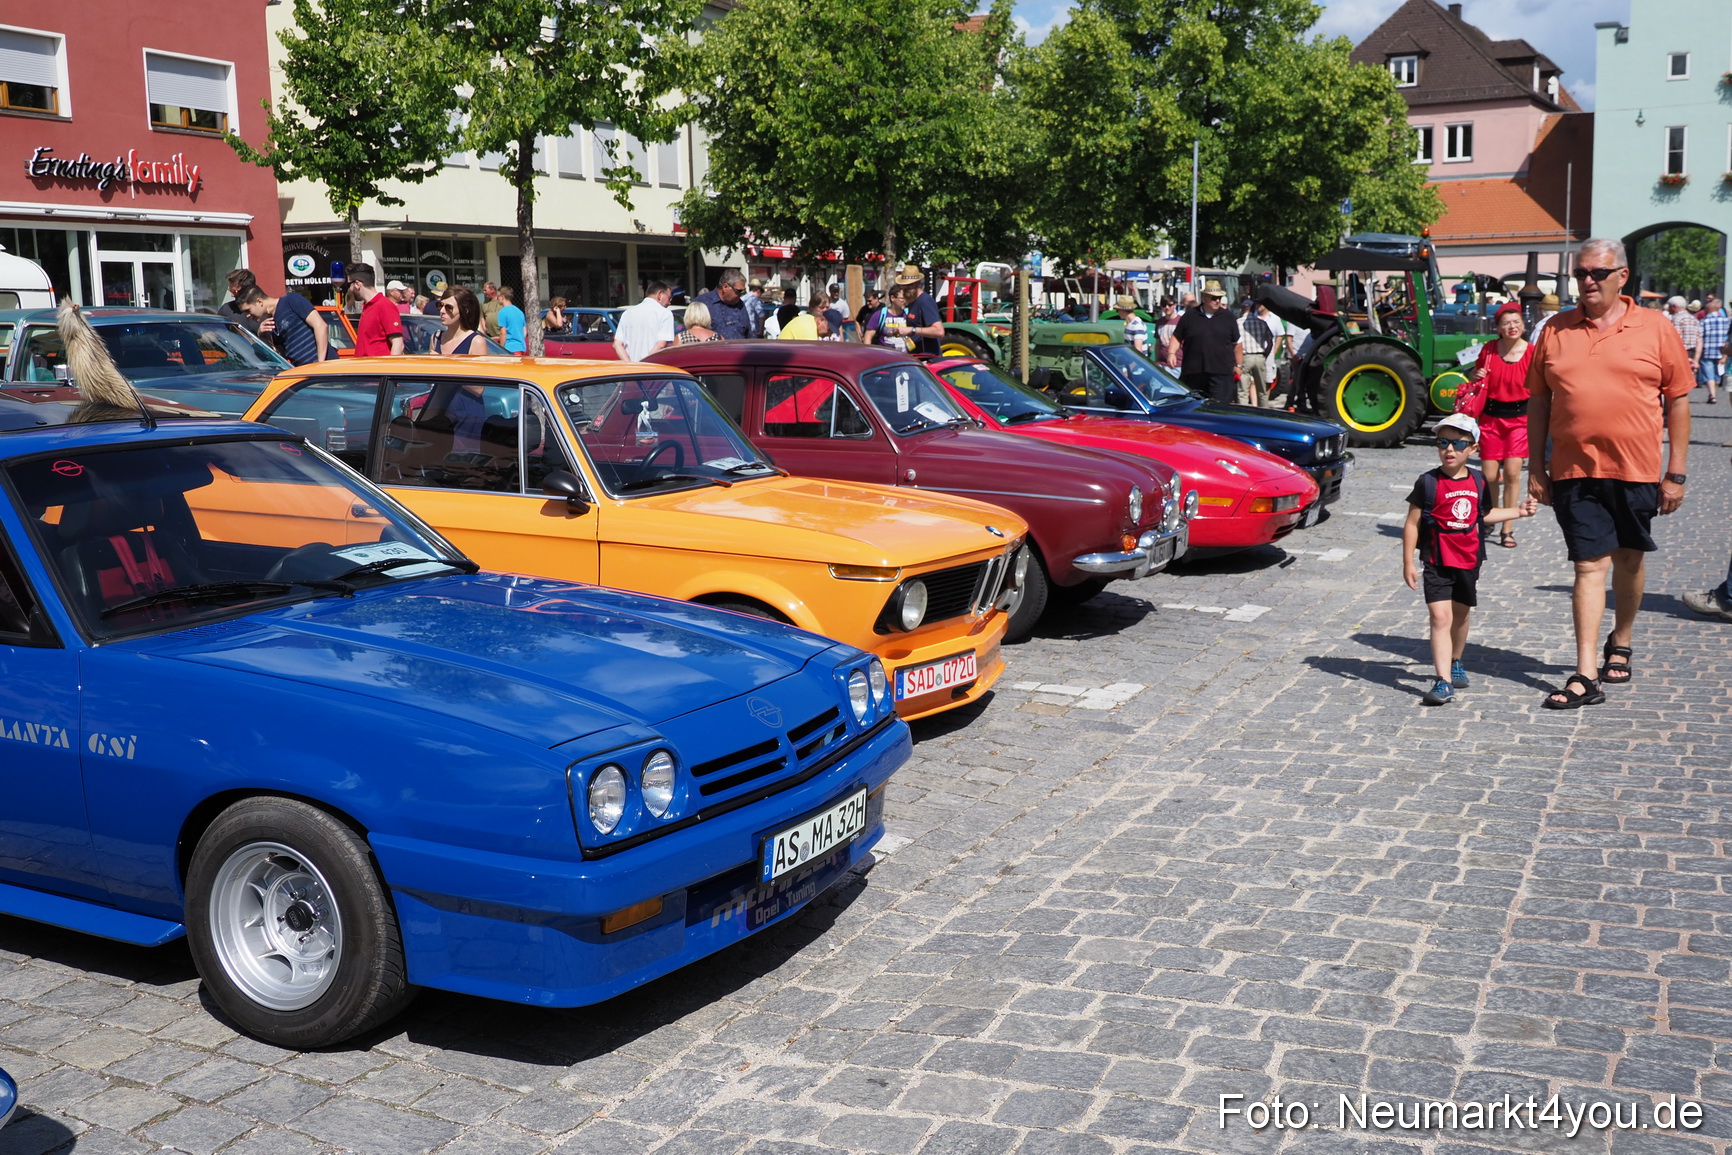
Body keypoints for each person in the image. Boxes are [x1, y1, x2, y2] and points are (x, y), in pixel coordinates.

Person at [1527, 239, 1694, 709]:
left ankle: (1621, 638)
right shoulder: (1555, 330)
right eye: (1581, 273)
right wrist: (1536, 467)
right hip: (1573, 470)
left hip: (1636, 469)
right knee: (1587, 565)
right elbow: (1538, 401)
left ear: (1622, 276)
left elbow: (1677, 400)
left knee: (1629, 561)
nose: (1588, 281)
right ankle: (1584, 673)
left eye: (1598, 273)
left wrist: (1675, 472)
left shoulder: (1656, 328)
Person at [1402, 413, 1540, 706]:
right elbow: (1412, 523)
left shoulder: (1478, 481)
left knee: (1461, 615)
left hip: (1469, 559)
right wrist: (1407, 563)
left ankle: (1455, 660)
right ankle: (1443, 681)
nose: (1449, 449)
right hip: (1437, 559)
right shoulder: (1427, 482)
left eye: (1457, 444)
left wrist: (1518, 512)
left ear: (1473, 449)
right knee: (1441, 617)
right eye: (1443, 442)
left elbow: (1484, 515)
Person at [1459, 302, 1534, 548]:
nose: (1512, 327)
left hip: (1519, 420)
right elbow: (1475, 380)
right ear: (1499, 328)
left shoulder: (1532, 351)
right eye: (1506, 323)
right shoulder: (1490, 350)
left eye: (1516, 322)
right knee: (1490, 475)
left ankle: (1508, 527)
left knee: (1512, 473)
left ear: (1523, 326)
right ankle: (1491, 513)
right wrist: (1475, 376)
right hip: (1491, 419)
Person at [1168, 280, 1241, 403]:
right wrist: (1171, 353)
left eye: (1219, 297)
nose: (1217, 301)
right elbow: (1177, 336)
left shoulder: (1228, 317)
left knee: (1219, 410)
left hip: (1221, 373)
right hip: (1194, 373)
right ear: (1204, 298)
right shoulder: (1190, 316)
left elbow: (1237, 343)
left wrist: (1239, 365)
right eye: (1214, 298)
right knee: (1193, 408)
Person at [235, 286, 334, 365]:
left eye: (248, 310)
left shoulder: (291, 300)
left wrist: (320, 364)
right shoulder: (270, 322)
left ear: (259, 302)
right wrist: (262, 336)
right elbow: (281, 356)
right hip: (306, 374)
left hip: (326, 368)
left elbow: (321, 326)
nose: (247, 315)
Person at [347, 265, 404, 357]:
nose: (349, 289)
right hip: (363, 369)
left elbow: (398, 343)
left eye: (349, 284)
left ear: (357, 284)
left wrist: (391, 369)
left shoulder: (385, 305)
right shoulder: (367, 306)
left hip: (378, 369)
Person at [613, 281, 676, 360]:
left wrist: (630, 364)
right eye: (669, 298)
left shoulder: (628, 313)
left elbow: (617, 344)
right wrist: (645, 364)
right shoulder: (665, 313)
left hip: (631, 369)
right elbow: (661, 345)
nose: (669, 302)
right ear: (660, 294)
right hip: (653, 368)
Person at [893, 264, 944, 355]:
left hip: (928, 358)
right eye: (904, 285)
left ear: (918, 283)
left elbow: (939, 331)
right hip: (916, 356)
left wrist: (911, 330)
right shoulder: (912, 301)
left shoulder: (925, 301)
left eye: (909, 285)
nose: (905, 288)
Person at [1237, 299, 1278, 407]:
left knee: (1243, 392)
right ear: (1253, 308)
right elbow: (1270, 341)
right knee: (1262, 391)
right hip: (1260, 356)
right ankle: (1264, 414)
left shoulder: (1237, 323)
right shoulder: (1262, 323)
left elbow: (1234, 343)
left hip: (1245, 357)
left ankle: (1243, 414)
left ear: (1242, 310)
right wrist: (1265, 354)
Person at [695, 271, 752, 340]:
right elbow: (690, 334)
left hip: (739, 349)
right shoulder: (702, 303)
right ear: (725, 287)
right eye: (739, 291)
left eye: (744, 291)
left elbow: (748, 334)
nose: (741, 294)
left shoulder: (740, 305)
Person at [432, 286, 487, 355]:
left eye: (448, 308)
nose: (442, 311)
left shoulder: (476, 341)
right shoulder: (436, 338)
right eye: (440, 305)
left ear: (465, 310)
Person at [1698, 295, 1726, 404]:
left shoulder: (1704, 321)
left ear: (1708, 310)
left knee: (1709, 374)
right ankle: (1715, 392)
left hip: (1707, 351)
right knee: (1718, 373)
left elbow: (1700, 337)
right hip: (1722, 351)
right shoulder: (1726, 320)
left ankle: (1712, 395)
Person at [217, 269, 262, 335]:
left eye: (235, 292)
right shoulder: (226, 309)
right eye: (230, 291)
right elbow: (216, 333)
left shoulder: (264, 310)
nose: (232, 295)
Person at [1667, 295, 1703, 378]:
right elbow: (1700, 341)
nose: (1668, 309)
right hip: (1692, 353)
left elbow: (1676, 339)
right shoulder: (1694, 319)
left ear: (1674, 307)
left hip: (1679, 353)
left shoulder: (1676, 319)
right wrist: (1696, 360)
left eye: (1669, 306)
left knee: (1676, 380)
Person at [493, 286, 526, 353]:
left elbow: (503, 333)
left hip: (510, 348)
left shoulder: (502, 312)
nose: (497, 298)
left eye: (498, 296)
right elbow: (524, 332)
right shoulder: (519, 312)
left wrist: (501, 348)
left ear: (502, 297)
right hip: (521, 348)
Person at [1154, 298, 1179, 365]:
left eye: (1169, 305)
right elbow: (1158, 344)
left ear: (1175, 306)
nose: (1167, 307)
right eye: (1164, 305)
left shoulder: (1181, 321)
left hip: (1177, 364)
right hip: (1162, 363)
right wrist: (1156, 360)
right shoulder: (1159, 322)